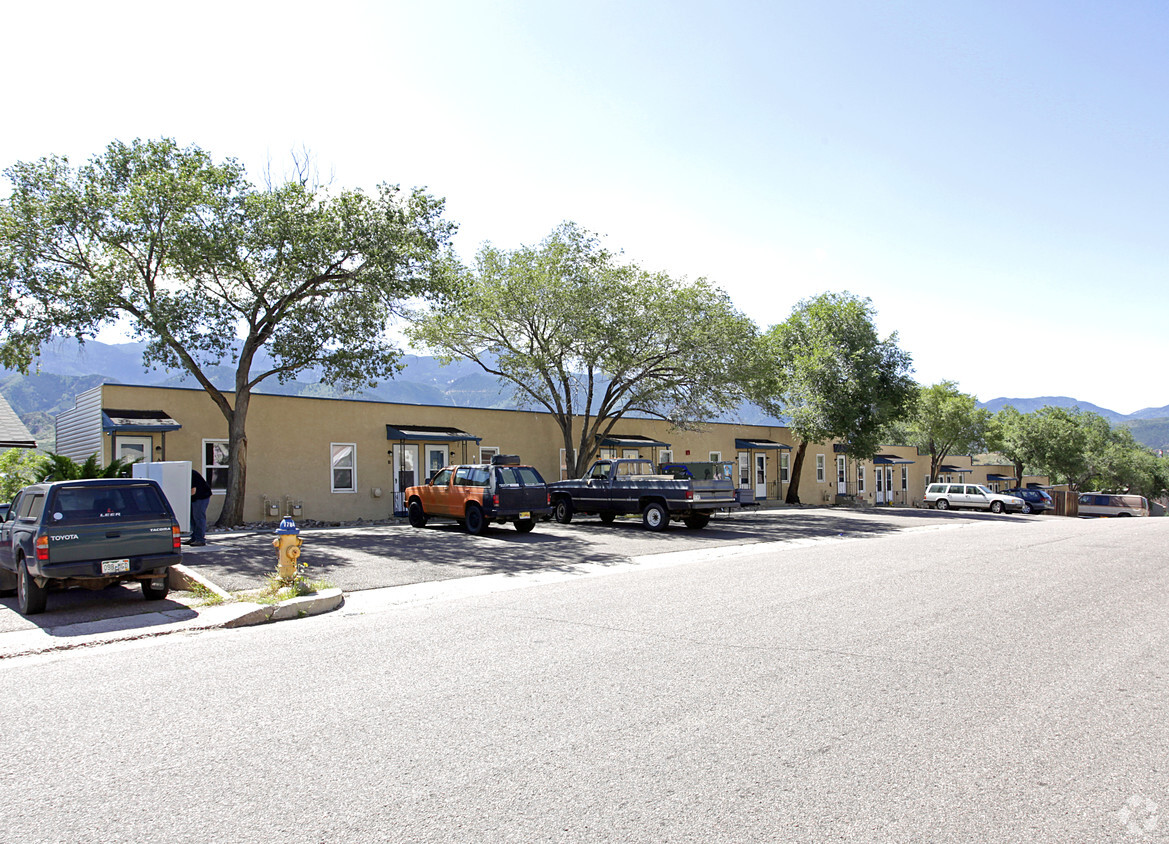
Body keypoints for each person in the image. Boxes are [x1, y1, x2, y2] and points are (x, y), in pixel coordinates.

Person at [188, 469, 212, 546]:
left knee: (198, 517)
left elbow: (193, 491)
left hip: (201, 497)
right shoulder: (185, 474)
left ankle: (200, 539)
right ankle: (194, 537)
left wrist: (183, 498)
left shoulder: (191, 474)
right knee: (192, 518)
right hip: (194, 498)